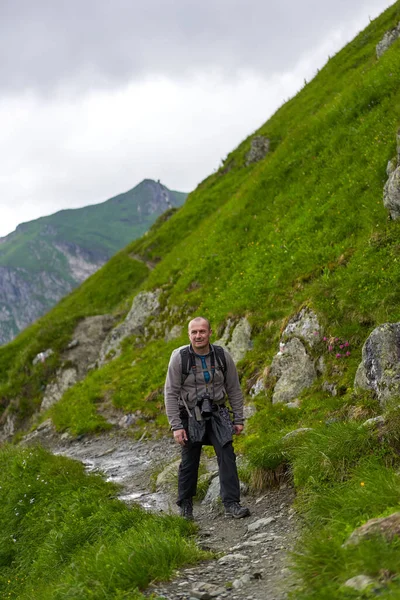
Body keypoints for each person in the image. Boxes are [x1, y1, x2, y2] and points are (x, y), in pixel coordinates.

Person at [164, 316, 250, 520]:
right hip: (190, 415)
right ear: (189, 335)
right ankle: (186, 506)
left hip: (218, 412)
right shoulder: (179, 357)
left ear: (210, 333)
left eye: (202, 331)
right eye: (194, 332)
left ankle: (232, 503)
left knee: (227, 453)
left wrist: (238, 419)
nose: (198, 335)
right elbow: (170, 393)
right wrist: (176, 426)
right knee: (189, 459)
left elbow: (234, 389)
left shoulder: (222, 356)